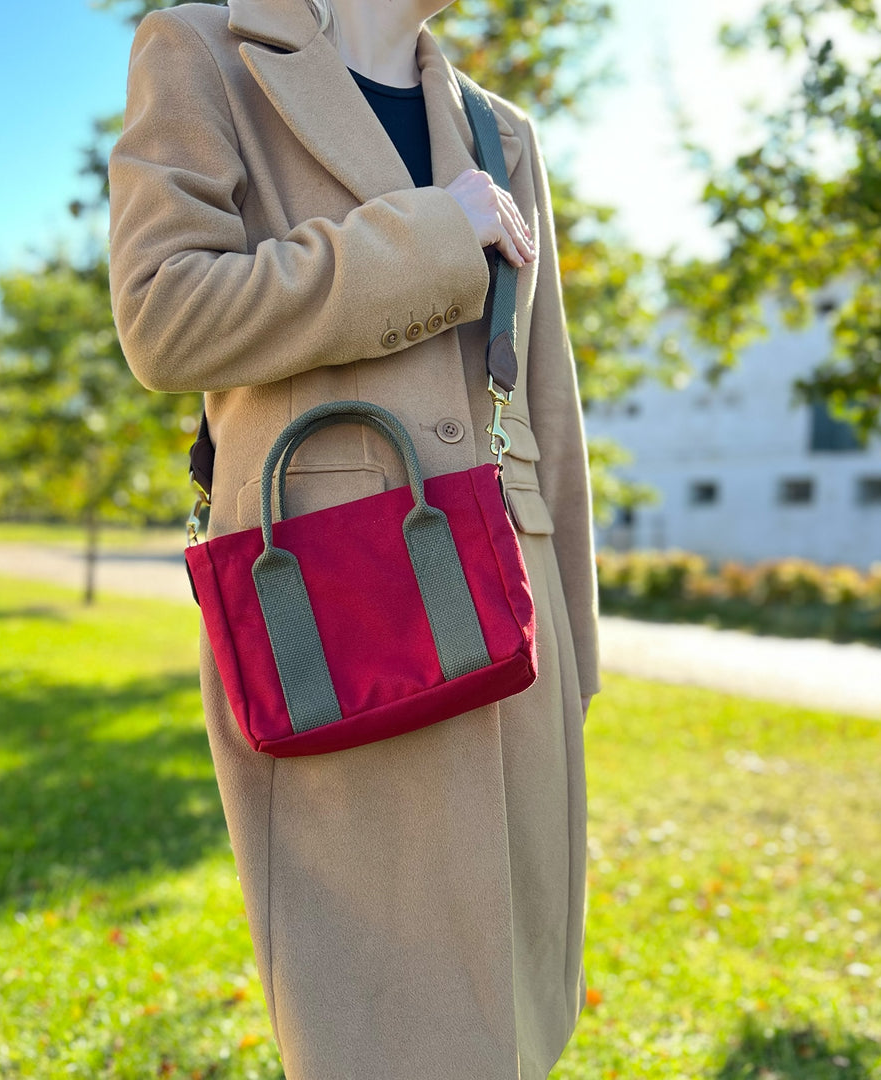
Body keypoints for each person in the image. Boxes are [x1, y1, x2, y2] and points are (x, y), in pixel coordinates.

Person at [108, 1, 600, 1076]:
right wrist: (433, 234)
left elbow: (545, 396)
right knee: (376, 1025)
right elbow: (165, 316)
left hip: (514, 617)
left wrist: (579, 657)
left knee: (510, 1018)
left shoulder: (500, 129)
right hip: (333, 607)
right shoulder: (201, 49)